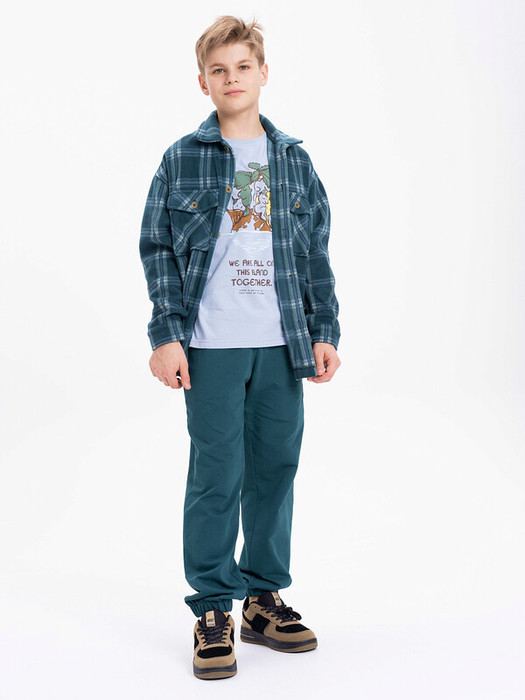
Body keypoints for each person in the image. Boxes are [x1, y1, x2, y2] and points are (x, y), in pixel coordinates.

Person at [139, 15, 341, 681]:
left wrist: (323, 330)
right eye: (218, 70)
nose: (232, 78)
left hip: (282, 342)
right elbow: (158, 250)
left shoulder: (293, 161)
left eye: (242, 67)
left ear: (262, 73)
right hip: (211, 344)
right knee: (216, 474)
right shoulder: (181, 158)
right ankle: (212, 609)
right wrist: (166, 335)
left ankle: (262, 599)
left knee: (275, 469)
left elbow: (315, 254)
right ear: (203, 81)